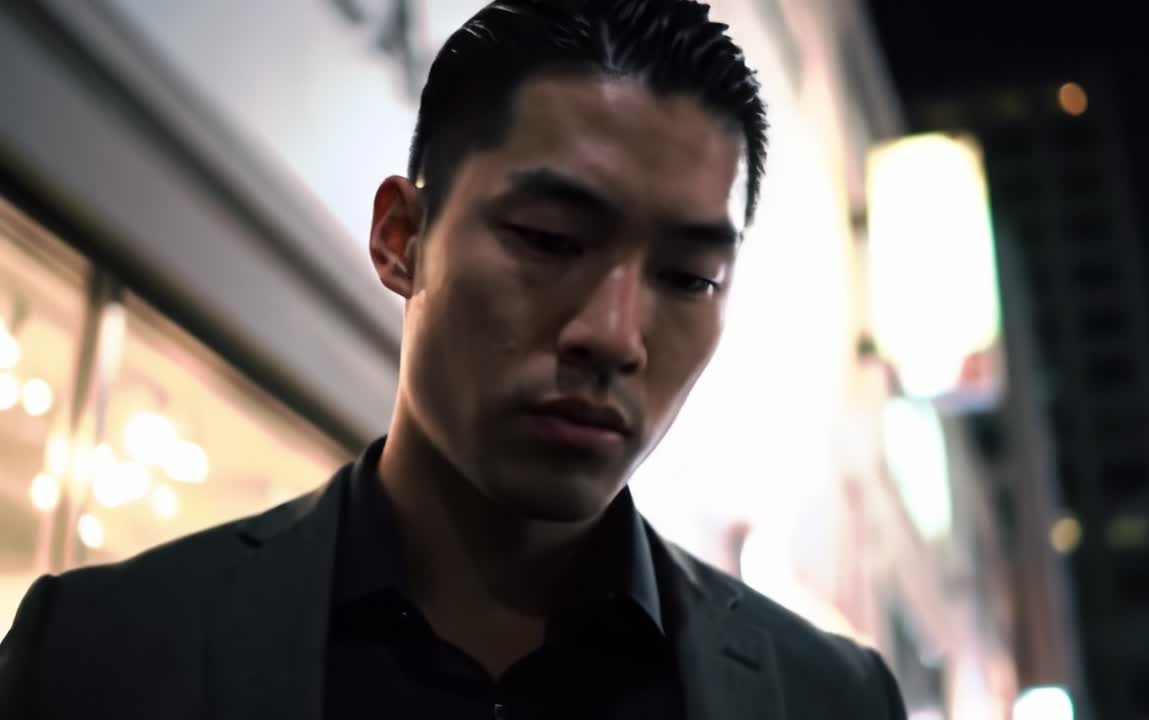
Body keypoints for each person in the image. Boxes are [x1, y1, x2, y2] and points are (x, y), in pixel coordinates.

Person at [0, 0, 907, 717]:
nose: (615, 335)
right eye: (550, 240)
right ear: (403, 238)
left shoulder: (827, 698)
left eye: (688, 277)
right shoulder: (95, 654)